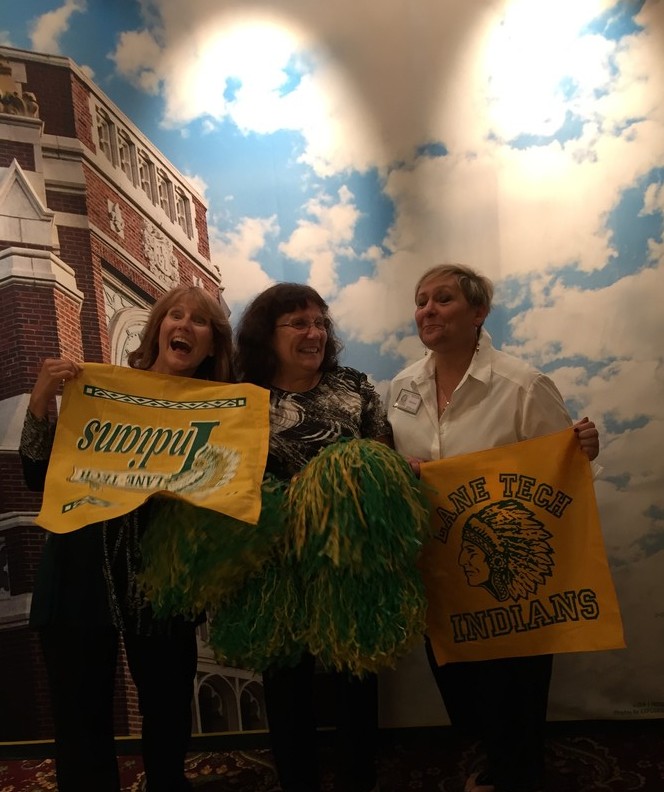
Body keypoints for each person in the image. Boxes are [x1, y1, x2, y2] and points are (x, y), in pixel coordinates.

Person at [386, 264, 600, 792]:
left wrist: (581, 451)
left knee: (516, 693)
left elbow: (560, 476)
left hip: (508, 577)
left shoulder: (523, 385)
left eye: (443, 299)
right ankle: (493, 757)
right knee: (461, 689)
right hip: (439, 565)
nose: (427, 310)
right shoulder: (401, 387)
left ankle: (518, 771)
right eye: (421, 300)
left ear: (479, 312)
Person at [19, 285, 235, 792]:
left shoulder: (222, 412)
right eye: (175, 315)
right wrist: (41, 399)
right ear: (158, 329)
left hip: (162, 579)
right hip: (79, 569)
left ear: (212, 345)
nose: (184, 325)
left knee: (168, 712)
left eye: (199, 321)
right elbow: (36, 475)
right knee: (80, 718)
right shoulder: (102, 391)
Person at [234, 282, 390, 792]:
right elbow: (227, 475)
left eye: (321, 322)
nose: (314, 333)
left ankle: (359, 779)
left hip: (349, 557)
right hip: (275, 562)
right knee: (286, 684)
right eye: (299, 323)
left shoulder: (354, 387)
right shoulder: (241, 395)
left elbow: (381, 459)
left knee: (355, 677)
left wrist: (338, 483)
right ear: (267, 334)